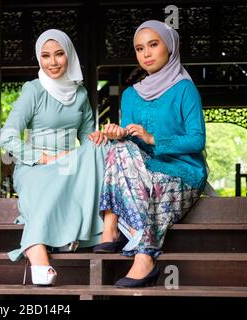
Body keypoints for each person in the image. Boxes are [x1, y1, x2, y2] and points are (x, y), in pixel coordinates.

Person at [92, 20, 208, 287]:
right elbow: (131, 142)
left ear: (169, 47)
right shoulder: (131, 94)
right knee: (119, 147)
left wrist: (152, 137)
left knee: (140, 174)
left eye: (153, 45)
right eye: (139, 48)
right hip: (144, 170)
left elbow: (197, 139)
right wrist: (116, 133)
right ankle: (116, 231)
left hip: (182, 171)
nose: (146, 53)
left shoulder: (184, 88)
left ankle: (142, 255)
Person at [0, 29, 109, 286]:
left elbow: (88, 136)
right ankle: (37, 252)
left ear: (69, 56)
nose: (52, 62)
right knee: (43, 186)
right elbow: (7, 137)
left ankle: (86, 233)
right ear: (40, 59)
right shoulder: (33, 90)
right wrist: (46, 159)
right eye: (46, 56)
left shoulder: (80, 94)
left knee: (100, 148)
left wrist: (102, 140)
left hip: (70, 162)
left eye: (59, 54)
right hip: (35, 165)